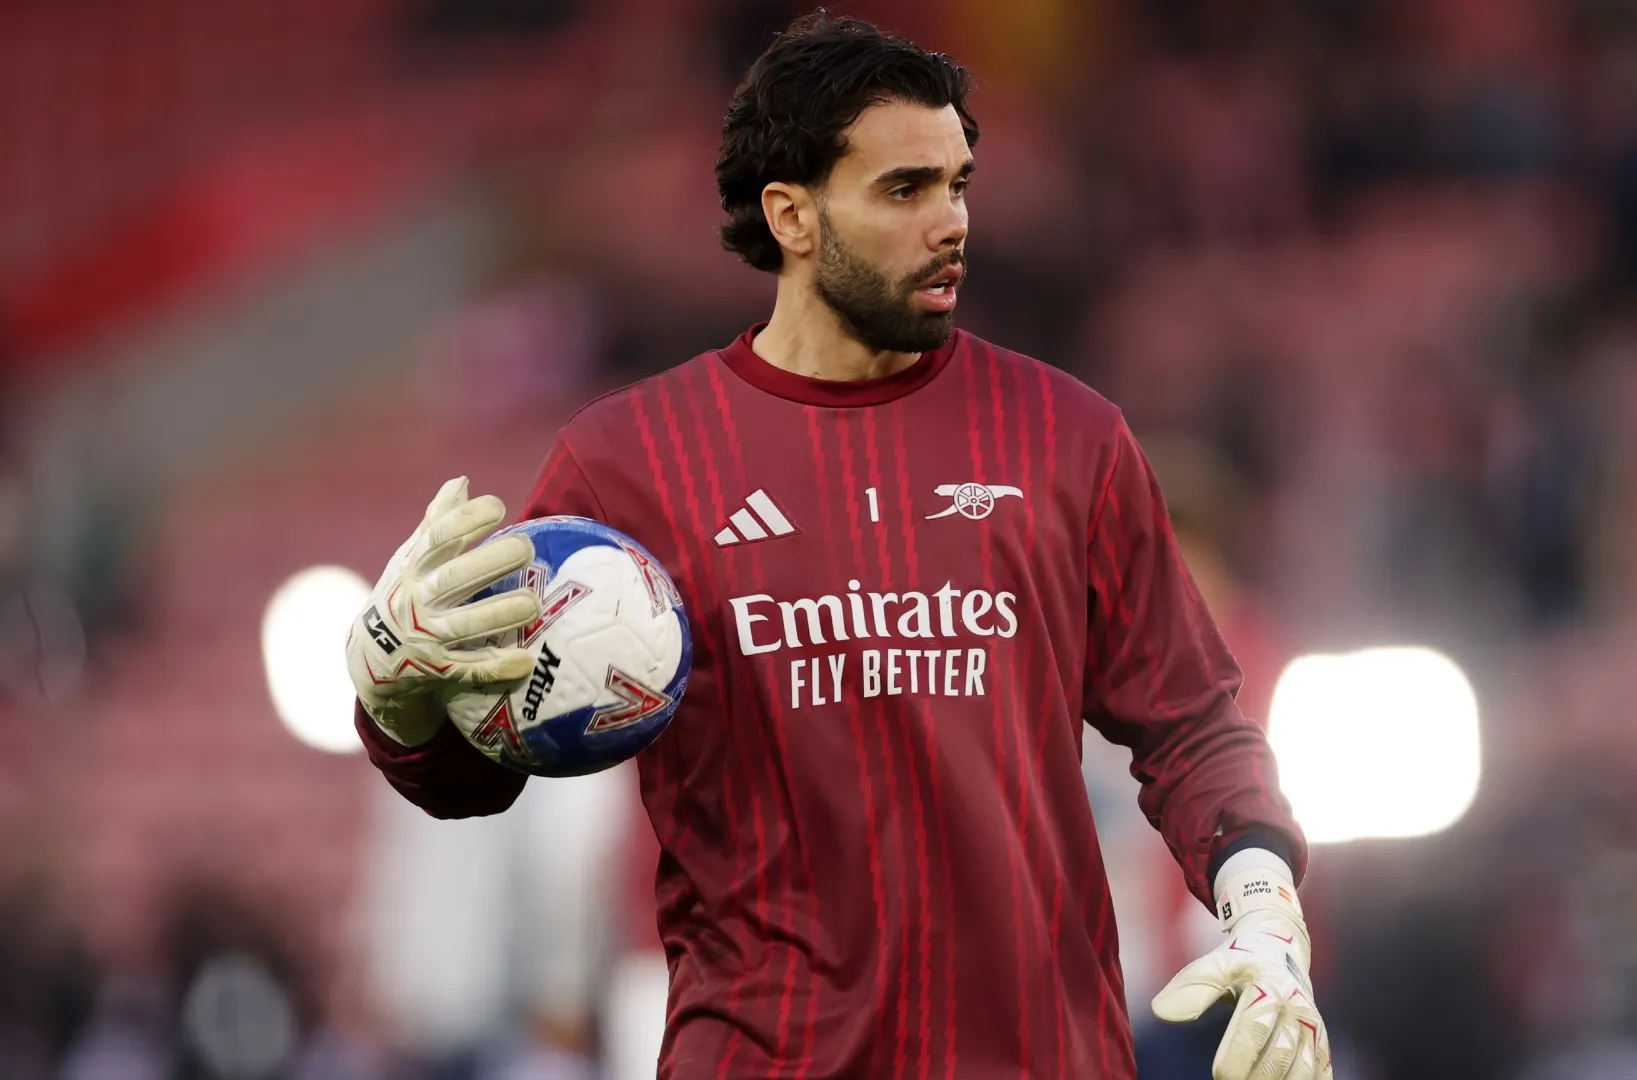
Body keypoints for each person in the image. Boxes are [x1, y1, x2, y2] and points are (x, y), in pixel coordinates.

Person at [344, 14, 1332, 1079]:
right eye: (904, 190)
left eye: (958, 184)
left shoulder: (1069, 436)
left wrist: (1265, 913)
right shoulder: (629, 461)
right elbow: (490, 762)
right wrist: (400, 710)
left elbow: (1192, 724)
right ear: (792, 215)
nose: (951, 221)